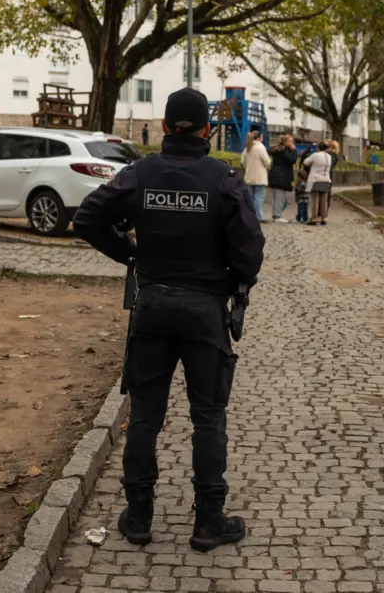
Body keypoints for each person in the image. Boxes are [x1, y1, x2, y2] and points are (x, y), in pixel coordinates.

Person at [72, 87, 264, 552]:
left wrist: (131, 254)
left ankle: (138, 517)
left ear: (162, 127)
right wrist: (234, 280)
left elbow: (87, 219)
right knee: (209, 417)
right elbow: (250, 250)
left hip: (153, 307)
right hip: (204, 312)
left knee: (145, 417)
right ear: (206, 129)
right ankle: (208, 522)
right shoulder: (223, 180)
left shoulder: (139, 174)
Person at [241, 130, 271, 222]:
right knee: (259, 197)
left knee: (250, 198)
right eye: (261, 137)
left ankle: (250, 216)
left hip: (249, 176)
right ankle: (259, 216)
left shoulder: (247, 148)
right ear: (258, 138)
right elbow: (267, 162)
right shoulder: (261, 147)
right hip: (260, 177)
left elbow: (242, 162)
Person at [268, 134, 298, 223]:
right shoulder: (286, 150)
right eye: (291, 141)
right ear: (286, 142)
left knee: (275, 197)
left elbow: (270, 151)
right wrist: (294, 150)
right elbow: (292, 160)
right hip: (282, 175)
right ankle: (278, 215)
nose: (292, 143)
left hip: (274, 174)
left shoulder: (276, 149)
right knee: (280, 197)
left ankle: (275, 214)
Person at [302, 142, 334, 226]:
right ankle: (323, 218)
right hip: (326, 179)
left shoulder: (315, 155)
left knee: (315, 200)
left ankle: (314, 218)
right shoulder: (329, 156)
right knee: (324, 200)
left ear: (318, 148)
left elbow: (305, 162)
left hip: (316, 179)